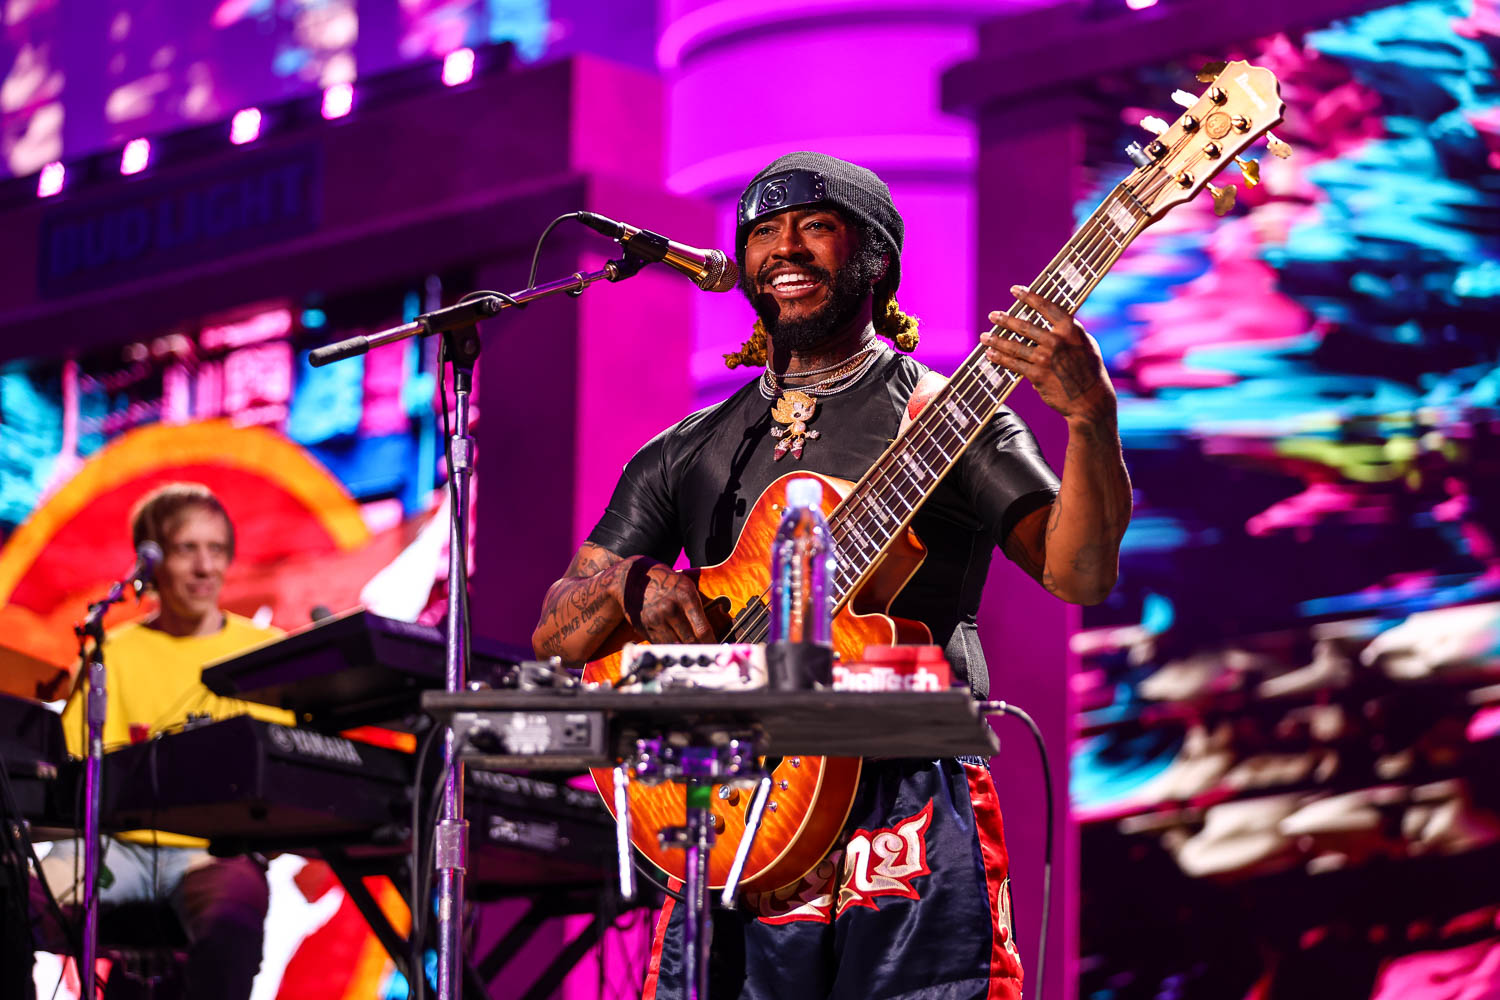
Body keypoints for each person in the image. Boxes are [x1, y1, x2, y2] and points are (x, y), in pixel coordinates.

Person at [532, 151, 1132, 999]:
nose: (786, 249)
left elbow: (1080, 573)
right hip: (732, 813)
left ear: (874, 257)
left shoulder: (953, 417)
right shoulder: (687, 449)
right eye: (765, 232)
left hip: (903, 804)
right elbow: (558, 629)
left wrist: (1089, 415)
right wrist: (632, 586)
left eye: (815, 226)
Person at [34, 482, 292, 1000]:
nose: (204, 567)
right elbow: (76, 774)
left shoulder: (269, 653)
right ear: (151, 566)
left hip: (213, 855)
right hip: (116, 851)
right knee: (15, 896)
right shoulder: (113, 653)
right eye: (186, 550)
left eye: (216, 550)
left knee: (231, 919)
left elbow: (289, 786)